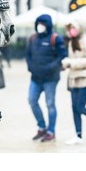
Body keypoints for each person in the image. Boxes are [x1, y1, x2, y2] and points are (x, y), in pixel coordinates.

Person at [26, 14, 67, 142]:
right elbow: (28, 55)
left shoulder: (56, 38)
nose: (40, 26)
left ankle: (51, 131)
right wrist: (30, 66)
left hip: (51, 78)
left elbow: (62, 56)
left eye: (43, 24)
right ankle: (42, 127)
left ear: (48, 25)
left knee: (50, 104)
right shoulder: (32, 38)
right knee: (32, 101)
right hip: (35, 78)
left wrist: (50, 67)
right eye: (38, 23)